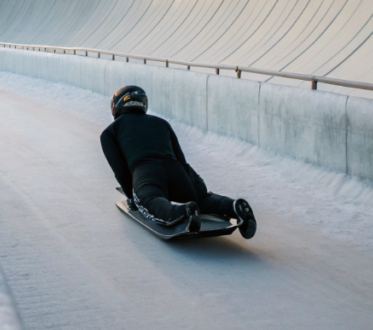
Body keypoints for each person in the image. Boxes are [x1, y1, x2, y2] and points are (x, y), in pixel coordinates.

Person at [100, 85, 257, 238]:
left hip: (145, 171)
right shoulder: (162, 123)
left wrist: (132, 196)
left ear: (116, 106)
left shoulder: (110, 131)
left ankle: (182, 213)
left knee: (152, 201)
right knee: (200, 199)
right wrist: (197, 190)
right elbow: (181, 161)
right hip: (176, 171)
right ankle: (232, 206)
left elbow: (121, 171)